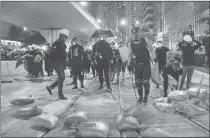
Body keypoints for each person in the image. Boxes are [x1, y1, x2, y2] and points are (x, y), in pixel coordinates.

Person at [128, 26, 157, 104]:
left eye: (137, 33)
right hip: (137, 64)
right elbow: (130, 54)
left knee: (145, 82)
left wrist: (154, 58)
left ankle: (146, 96)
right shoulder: (130, 43)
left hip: (146, 64)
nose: (136, 35)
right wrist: (129, 63)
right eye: (134, 33)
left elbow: (151, 49)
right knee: (138, 82)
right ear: (132, 34)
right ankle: (140, 97)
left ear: (140, 33)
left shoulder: (145, 40)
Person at [46, 29, 69, 100]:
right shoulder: (56, 43)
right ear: (62, 36)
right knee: (61, 77)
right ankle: (60, 95)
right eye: (65, 37)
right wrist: (52, 65)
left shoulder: (62, 44)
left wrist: (65, 62)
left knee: (62, 78)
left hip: (60, 63)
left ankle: (50, 87)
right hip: (56, 63)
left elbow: (63, 55)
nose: (65, 39)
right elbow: (52, 54)